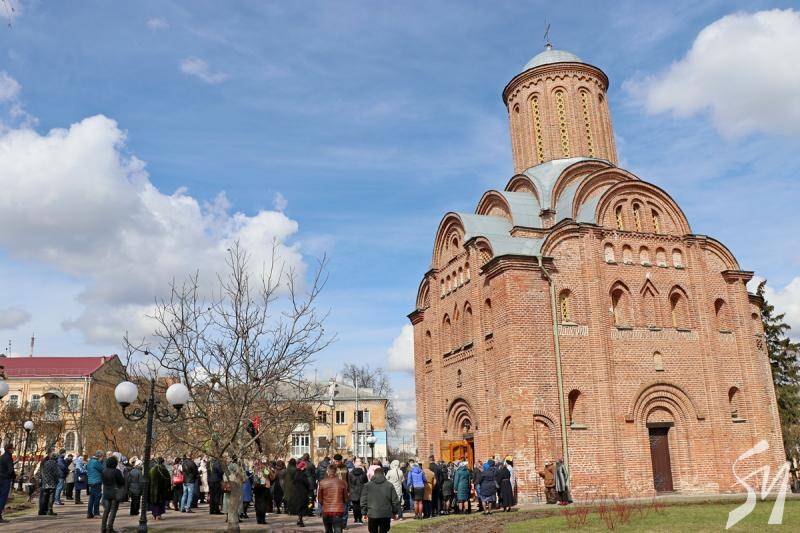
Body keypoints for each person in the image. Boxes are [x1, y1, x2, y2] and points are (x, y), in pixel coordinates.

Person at [360, 467, 400, 533]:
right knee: (384, 531)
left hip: (373, 513)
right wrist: (394, 512)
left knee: (373, 531)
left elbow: (363, 500)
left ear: (374, 474)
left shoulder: (367, 485)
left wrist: (364, 512)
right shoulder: (389, 485)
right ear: (383, 474)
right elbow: (395, 500)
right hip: (385, 513)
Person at [318, 464, 348, 533]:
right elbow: (346, 498)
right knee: (338, 530)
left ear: (327, 471)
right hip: (338, 510)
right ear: (336, 472)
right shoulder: (342, 482)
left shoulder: (322, 482)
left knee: (328, 530)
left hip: (326, 510)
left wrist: (324, 504)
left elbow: (319, 499)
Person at [101, 454, 125, 533]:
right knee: (113, 510)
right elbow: (122, 482)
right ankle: (109, 528)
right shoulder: (116, 471)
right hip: (115, 492)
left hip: (106, 492)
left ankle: (103, 528)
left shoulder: (104, 471)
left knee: (106, 510)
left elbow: (103, 481)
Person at [291, 460, 312, 527]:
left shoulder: (295, 473)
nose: (305, 468)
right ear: (302, 467)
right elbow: (307, 483)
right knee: (302, 507)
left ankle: (299, 519)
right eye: (304, 466)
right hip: (302, 492)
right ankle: (300, 521)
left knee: (299, 506)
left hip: (296, 492)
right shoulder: (302, 474)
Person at [348, 459, 368, 524]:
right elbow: (366, 483)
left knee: (355, 506)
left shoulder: (350, 474)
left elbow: (349, 483)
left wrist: (349, 490)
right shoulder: (363, 473)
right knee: (360, 506)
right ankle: (360, 519)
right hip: (362, 491)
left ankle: (356, 519)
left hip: (353, 492)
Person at [0, 443, 16, 523]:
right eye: (12, 448)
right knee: (3, 497)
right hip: (5, 479)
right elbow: (10, 470)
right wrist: (14, 476)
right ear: (9, 449)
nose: (13, 450)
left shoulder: (2, 457)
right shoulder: (9, 458)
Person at [86, 450, 105, 518]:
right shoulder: (96, 462)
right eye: (102, 457)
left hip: (91, 481)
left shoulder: (90, 461)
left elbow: (86, 468)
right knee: (97, 498)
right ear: (100, 456)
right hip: (96, 481)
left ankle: (89, 513)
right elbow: (102, 469)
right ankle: (96, 513)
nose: (103, 458)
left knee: (92, 498)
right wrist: (101, 462)